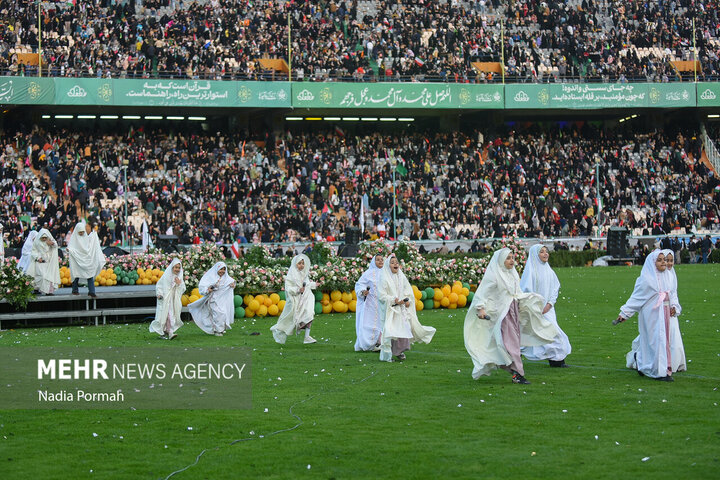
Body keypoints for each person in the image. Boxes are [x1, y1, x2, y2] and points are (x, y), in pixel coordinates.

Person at [464, 248, 558, 384]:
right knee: (512, 343)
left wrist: (529, 300)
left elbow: (517, 292)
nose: (511, 260)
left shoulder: (512, 274)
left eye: (512, 257)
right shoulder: (494, 275)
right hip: (502, 314)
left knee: (511, 342)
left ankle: (508, 366)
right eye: (508, 258)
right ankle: (518, 374)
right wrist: (481, 309)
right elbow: (483, 292)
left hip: (513, 312)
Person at [615, 250, 677, 381]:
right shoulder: (646, 279)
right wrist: (625, 313)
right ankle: (656, 370)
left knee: (664, 341)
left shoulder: (668, 276)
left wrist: (674, 307)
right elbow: (636, 298)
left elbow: (672, 294)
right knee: (654, 341)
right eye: (659, 260)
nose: (663, 263)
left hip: (664, 313)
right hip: (651, 315)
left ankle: (662, 368)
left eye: (664, 260)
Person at [520, 245, 572, 367]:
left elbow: (555, 288)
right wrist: (536, 307)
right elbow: (526, 291)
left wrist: (549, 304)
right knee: (536, 334)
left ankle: (557, 360)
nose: (545, 254)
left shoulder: (549, 271)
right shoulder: (531, 272)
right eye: (542, 252)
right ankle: (556, 360)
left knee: (554, 332)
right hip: (535, 310)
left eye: (546, 252)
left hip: (548, 310)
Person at [377, 254, 435, 362]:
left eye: (397, 262)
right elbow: (381, 295)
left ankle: (400, 351)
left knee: (403, 328)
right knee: (391, 330)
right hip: (391, 309)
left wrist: (407, 301)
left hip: (401, 309)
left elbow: (407, 290)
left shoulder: (401, 276)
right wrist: (394, 300)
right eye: (392, 262)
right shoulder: (384, 277)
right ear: (388, 265)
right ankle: (388, 355)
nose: (395, 264)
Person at [270, 254, 319, 345]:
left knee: (309, 314)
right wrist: (297, 290)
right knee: (291, 320)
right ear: (295, 264)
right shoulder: (291, 275)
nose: (301, 265)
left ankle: (307, 336)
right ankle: (282, 329)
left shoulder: (304, 273)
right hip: (295, 300)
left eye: (303, 263)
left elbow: (307, 284)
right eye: (299, 263)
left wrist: (314, 285)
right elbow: (289, 288)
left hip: (306, 298)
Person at [189, 261, 236, 336]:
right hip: (213, 299)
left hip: (222, 300)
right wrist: (208, 290)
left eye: (224, 269)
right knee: (217, 313)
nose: (222, 271)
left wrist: (233, 285)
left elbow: (232, 282)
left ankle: (219, 329)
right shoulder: (210, 277)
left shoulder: (226, 278)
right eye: (221, 269)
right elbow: (203, 287)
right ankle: (218, 330)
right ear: (217, 269)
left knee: (222, 313)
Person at [354, 254, 385, 352]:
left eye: (381, 260)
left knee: (382, 323)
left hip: (382, 302)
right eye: (378, 260)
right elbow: (360, 285)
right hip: (370, 303)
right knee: (369, 323)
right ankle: (369, 343)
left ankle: (379, 343)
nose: (380, 261)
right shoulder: (368, 273)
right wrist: (363, 291)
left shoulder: (387, 273)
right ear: (373, 262)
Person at [150, 259, 186, 339]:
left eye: (179, 267)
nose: (177, 269)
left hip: (173, 300)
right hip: (165, 299)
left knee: (171, 315)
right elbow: (159, 285)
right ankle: (170, 332)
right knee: (166, 315)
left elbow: (182, 288)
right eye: (175, 267)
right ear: (172, 267)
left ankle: (166, 331)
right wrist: (159, 294)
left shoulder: (179, 277)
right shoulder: (166, 276)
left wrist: (178, 284)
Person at [68, 221, 105, 297]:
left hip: (86, 260)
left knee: (89, 274)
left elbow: (89, 247)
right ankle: (75, 290)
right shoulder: (74, 238)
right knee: (76, 274)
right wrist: (70, 250)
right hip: (77, 260)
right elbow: (71, 247)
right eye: (79, 232)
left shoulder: (86, 238)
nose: (81, 233)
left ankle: (92, 291)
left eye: (82, 232)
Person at [26, 228, 61, 295]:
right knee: (40, 276)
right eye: (43, 238)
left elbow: (55, 246)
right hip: (40, 263)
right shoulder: (37, 242)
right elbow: (33, 251)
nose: (44, 239)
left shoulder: (50, 241)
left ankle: (48, 291)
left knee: (48, 277)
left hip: (48, 263)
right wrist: (37, 257)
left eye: (45, 237)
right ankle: (37, 289)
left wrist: (52, 243)